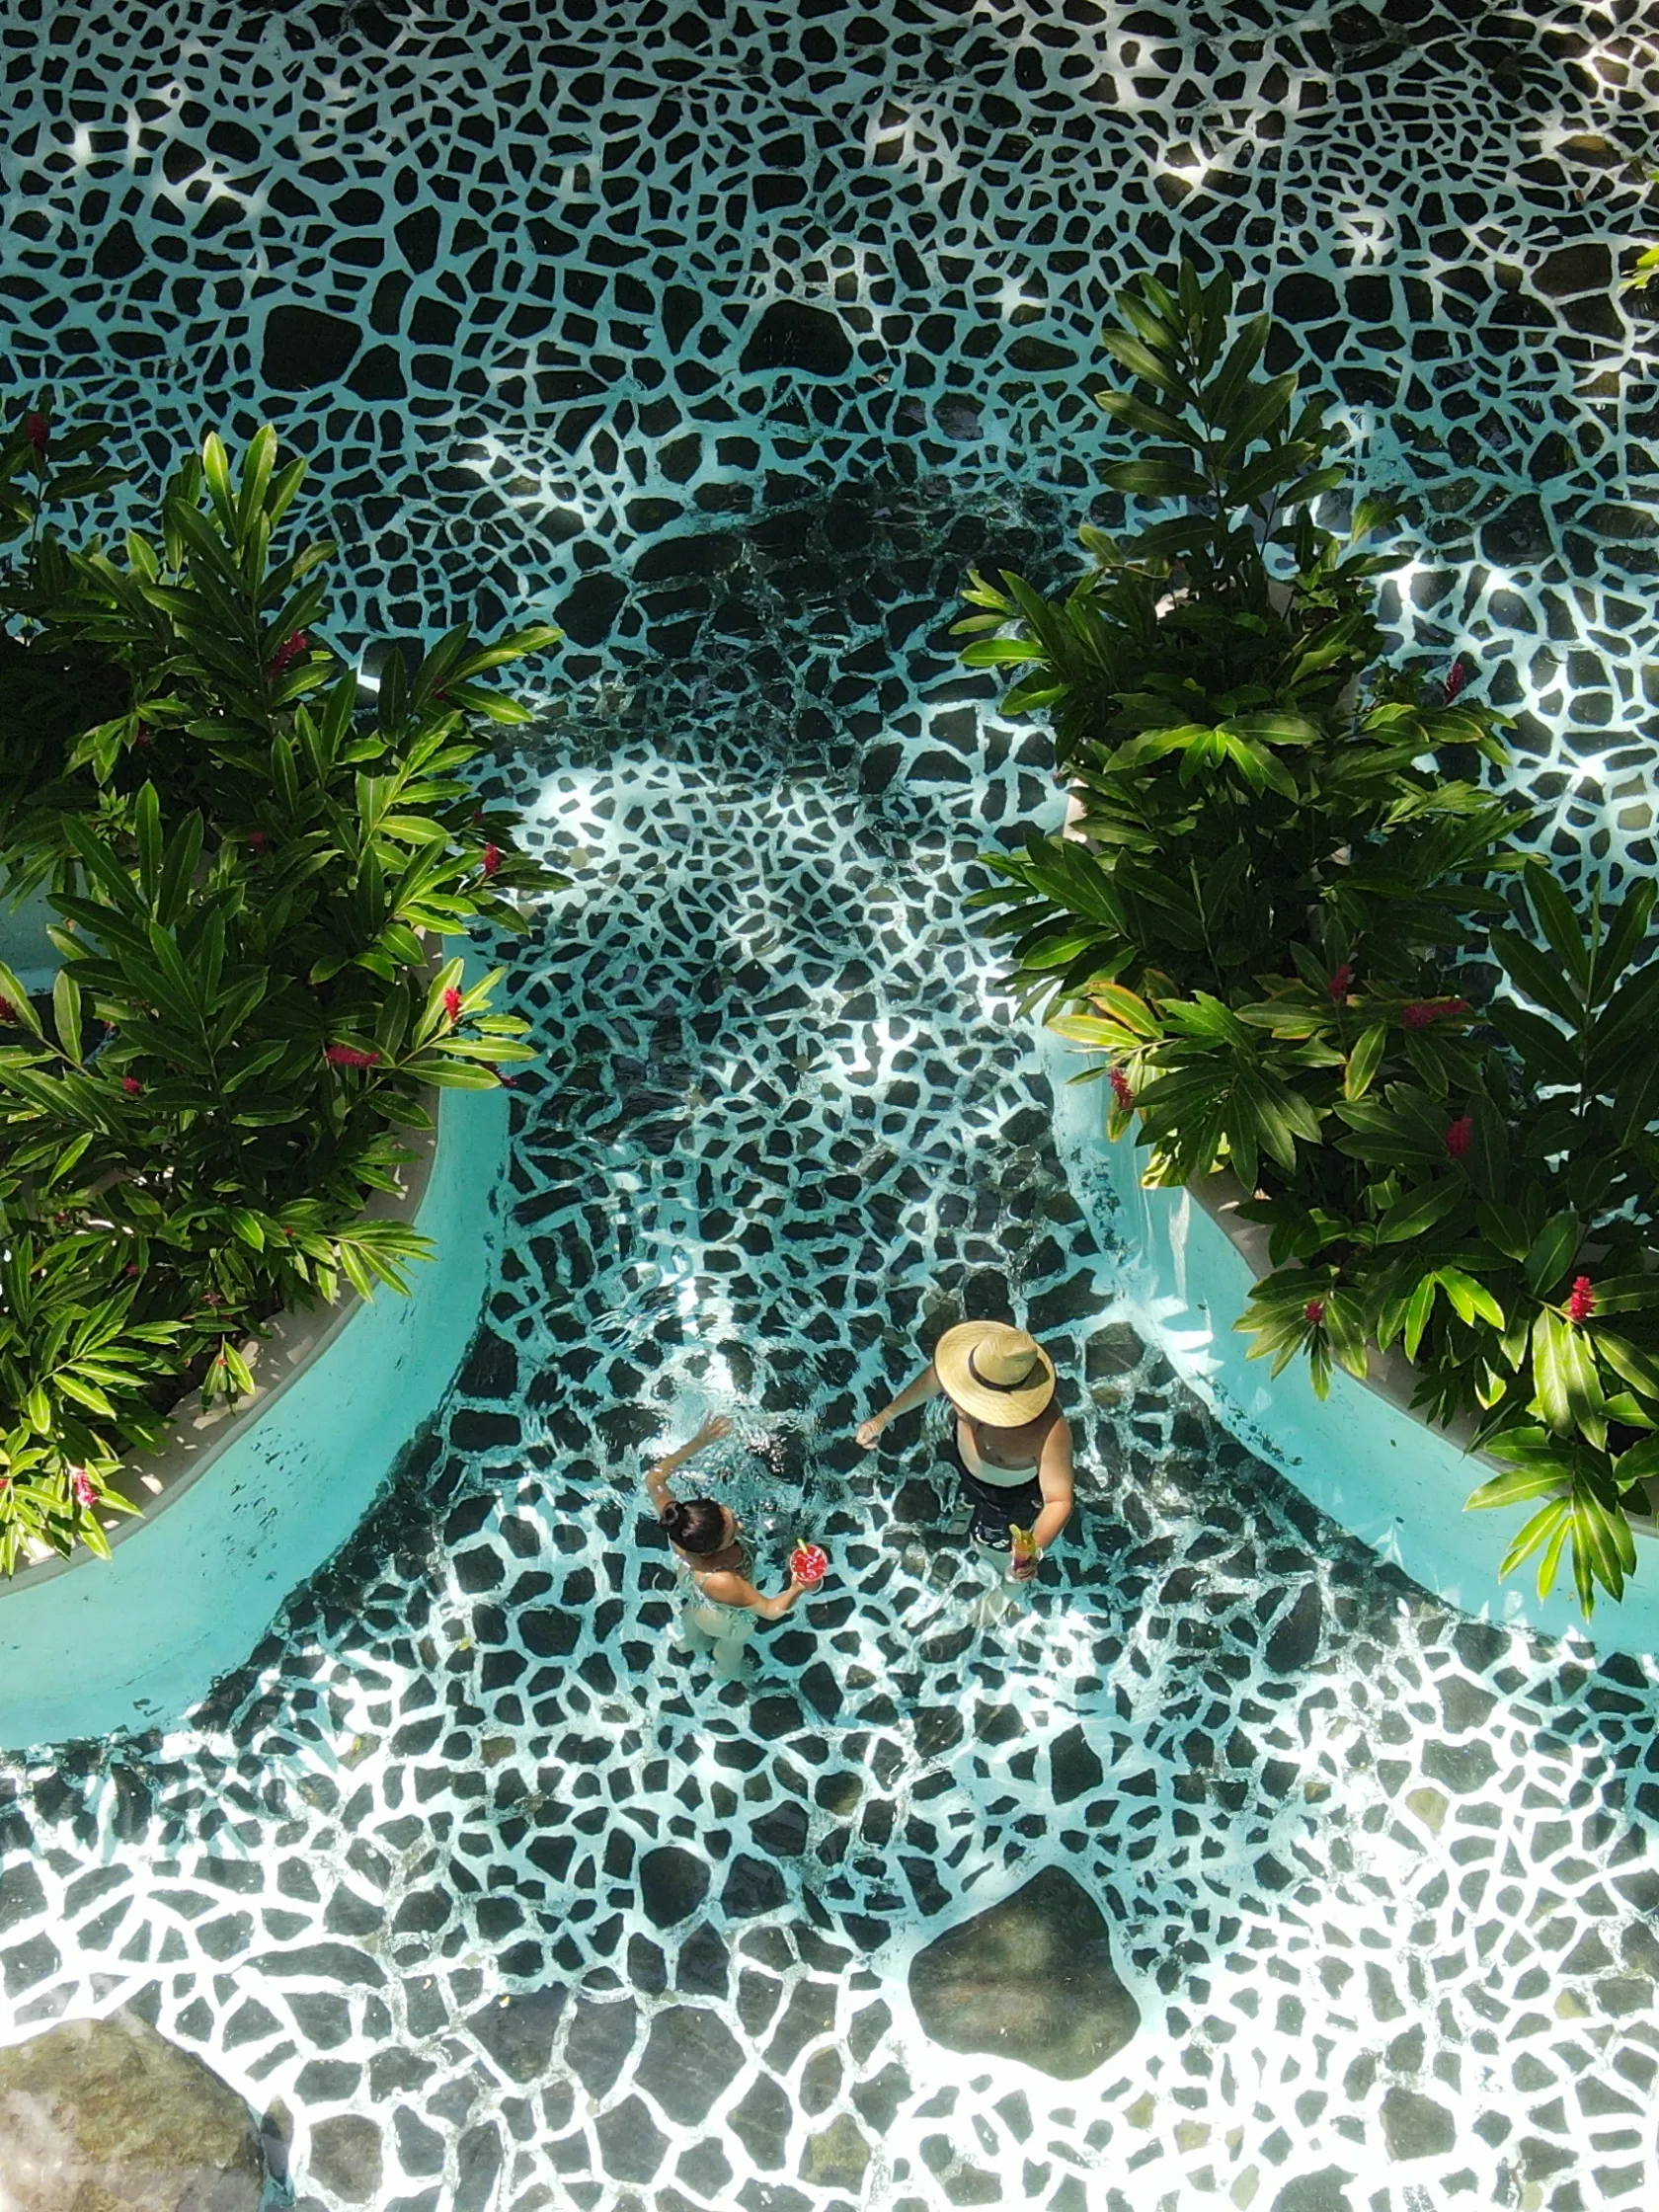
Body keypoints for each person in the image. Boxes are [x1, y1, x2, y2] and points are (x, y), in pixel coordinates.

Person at [856, 1321, 1072, 1579]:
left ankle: (998, 1566)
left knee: (993, 1539)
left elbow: (1059, 1500)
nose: (970, 1401)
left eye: (983, 1396)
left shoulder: (1047, 1429)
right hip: (962, 1457)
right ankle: (969, 1508)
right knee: (962, 1492)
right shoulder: (966, 1370)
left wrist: (1029, 1554)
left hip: (1005, 1494)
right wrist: (883, 1418)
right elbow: (933, 1379)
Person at [644, 1414, 820, 1678]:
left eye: (728, 1515)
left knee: (693, 1616)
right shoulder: (725, 1581)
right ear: (715, 1549)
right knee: (731, 1644)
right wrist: (798, 1587)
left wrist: (700, 1441)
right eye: (732, 1531)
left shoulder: (681, 1527)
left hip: (694, 1587)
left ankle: (690, 1643)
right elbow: (771, 1611)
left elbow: (654, 1479)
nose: (738, 1524)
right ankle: (726, 1671)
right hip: (725, 1619)